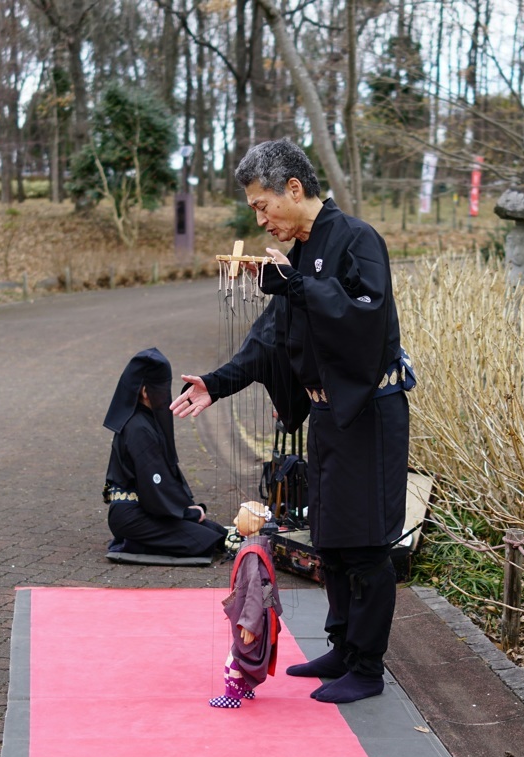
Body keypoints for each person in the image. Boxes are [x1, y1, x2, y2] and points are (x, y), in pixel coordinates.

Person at [172, 138, 414, 704]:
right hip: (330, 412)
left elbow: (367, 318)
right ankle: (342, 644)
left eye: (262, 205)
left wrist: (299, 286)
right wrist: (218, 382)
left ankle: (368, 666)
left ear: (295, 189)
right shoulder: (300, 255)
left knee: (368, 543)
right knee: (330, 536)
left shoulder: (356, 239)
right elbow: (269, 341)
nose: (260, 217)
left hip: (371, 410)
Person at [103, 347, 229, 559]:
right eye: (161, 389)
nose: (165, 395)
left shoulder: (146, 421)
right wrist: (186, 513)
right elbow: (153, 483)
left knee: (218, 533)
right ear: (145, 392)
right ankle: (131, 543)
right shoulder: (137, 428)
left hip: (145, 509)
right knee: (205, 542)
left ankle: (143, 538)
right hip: (132, 516)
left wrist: (186, 507)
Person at [210, 500, 282, 709]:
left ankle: (232, 695)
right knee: (250, 651)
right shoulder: (261, 545)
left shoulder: (252, 552)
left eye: (238, 518)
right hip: (263, 610)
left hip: (253, 613)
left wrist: (250, 623)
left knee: (238, 654)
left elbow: (254, 590)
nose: (234, 521)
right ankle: (246, 687)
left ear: (249, 523)